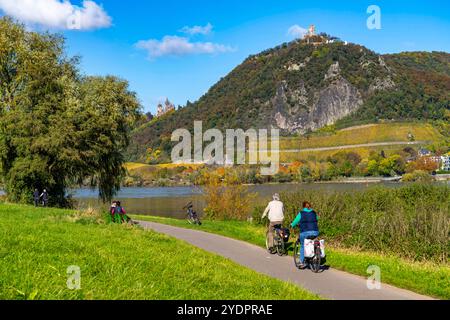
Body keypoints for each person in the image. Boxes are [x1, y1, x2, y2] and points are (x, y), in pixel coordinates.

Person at [290, 201, 320, 268]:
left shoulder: (301, 213)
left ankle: (301, 262)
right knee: (313, 242)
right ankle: (314, 257)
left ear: (303, 206)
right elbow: (318, 218)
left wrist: (292, 225)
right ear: (310, 206)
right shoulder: (314, 212)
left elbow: (296, 221)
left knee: (303, 245)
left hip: (305, 232)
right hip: (315, 231)